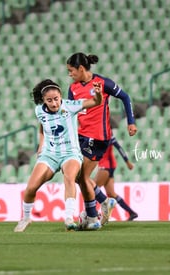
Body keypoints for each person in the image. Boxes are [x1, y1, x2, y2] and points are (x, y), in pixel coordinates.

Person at [14, 79, 103, 232]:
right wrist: (41, 144)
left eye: (56, 99)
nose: (54, 103)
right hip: (49, 154)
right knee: (30, 188)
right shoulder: (39, 110)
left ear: (60, 96)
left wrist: (99, 94)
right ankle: (26, 218)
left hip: (71, 153)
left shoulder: (70, 105)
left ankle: (69, 218)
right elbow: (42, 126)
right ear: (43, 100)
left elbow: (95, 102)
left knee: (69, 178)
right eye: (49, 100)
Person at [66, 52, 137, 226]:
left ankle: (92, 215)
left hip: (98, 137)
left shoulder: (102, 83)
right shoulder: (73, 88)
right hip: (81, 136)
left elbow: (125, 97)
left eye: (71, 71)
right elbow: (70, 111)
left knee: (81, 176)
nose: (69, 74)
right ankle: (104, 203)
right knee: (78, 177)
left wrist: (131, 122)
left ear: (81, 69)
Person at [94, 136, 139, 221]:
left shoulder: (104, 135)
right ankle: (132, 213)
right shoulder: (103, 134)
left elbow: (119, 148)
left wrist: (127, 162)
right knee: (111, 193)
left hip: (105, 166)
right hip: (110, 167)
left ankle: (93, 215)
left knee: (92, 188)